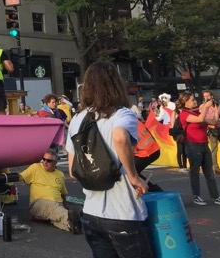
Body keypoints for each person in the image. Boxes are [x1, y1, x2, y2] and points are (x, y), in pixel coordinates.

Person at [66, 62, 154, 258]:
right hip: (123, 213)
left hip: (91, 213)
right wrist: (133, 177)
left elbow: (72, 171)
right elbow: (120, 137)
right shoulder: (122, 114)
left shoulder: (77, 119)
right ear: (116, 84)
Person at [176, 92, 220, 207]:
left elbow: (213, 122)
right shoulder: (184, 114)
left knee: (209, 172)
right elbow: (200, 119)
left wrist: (215, 110)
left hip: (204, 144)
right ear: (185, 102)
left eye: (194, 99)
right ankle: (196, 196)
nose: (195, 102)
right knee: (195, 172)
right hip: (192, 145)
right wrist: (206, 107)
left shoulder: (196, 112)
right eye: (192, 100)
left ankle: (216, 196)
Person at [19, 149, 81, 234]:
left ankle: (70, 226)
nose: (45, 162)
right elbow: (21, 177)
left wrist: (65, 205)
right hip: (39, 203)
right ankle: (71, 217)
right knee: (54, 209)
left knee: (56, 216)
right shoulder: (35, 168)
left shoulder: (60, 174)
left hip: (57, 204)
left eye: (49, 161)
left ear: (55, 163)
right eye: (44, 159)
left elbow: (62, 192)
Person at [201, 90, 220, 174]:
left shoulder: (218, 106)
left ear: (212, 96)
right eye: (205, 96)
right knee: (214, 149)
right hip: (212, 129)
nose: (207, 98)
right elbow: (202, 119)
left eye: (208, 96)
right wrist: (210, 125)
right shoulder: (202, 107)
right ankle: (216, 168)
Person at [171, 101, 188, 173]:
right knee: (180, 150)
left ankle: (185, 166)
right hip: (178, 133)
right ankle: (181, 166)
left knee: (185, 151)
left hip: (184, 132)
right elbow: (172, 124)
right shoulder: (175, 112)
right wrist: (174, 133)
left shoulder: (184, 112)